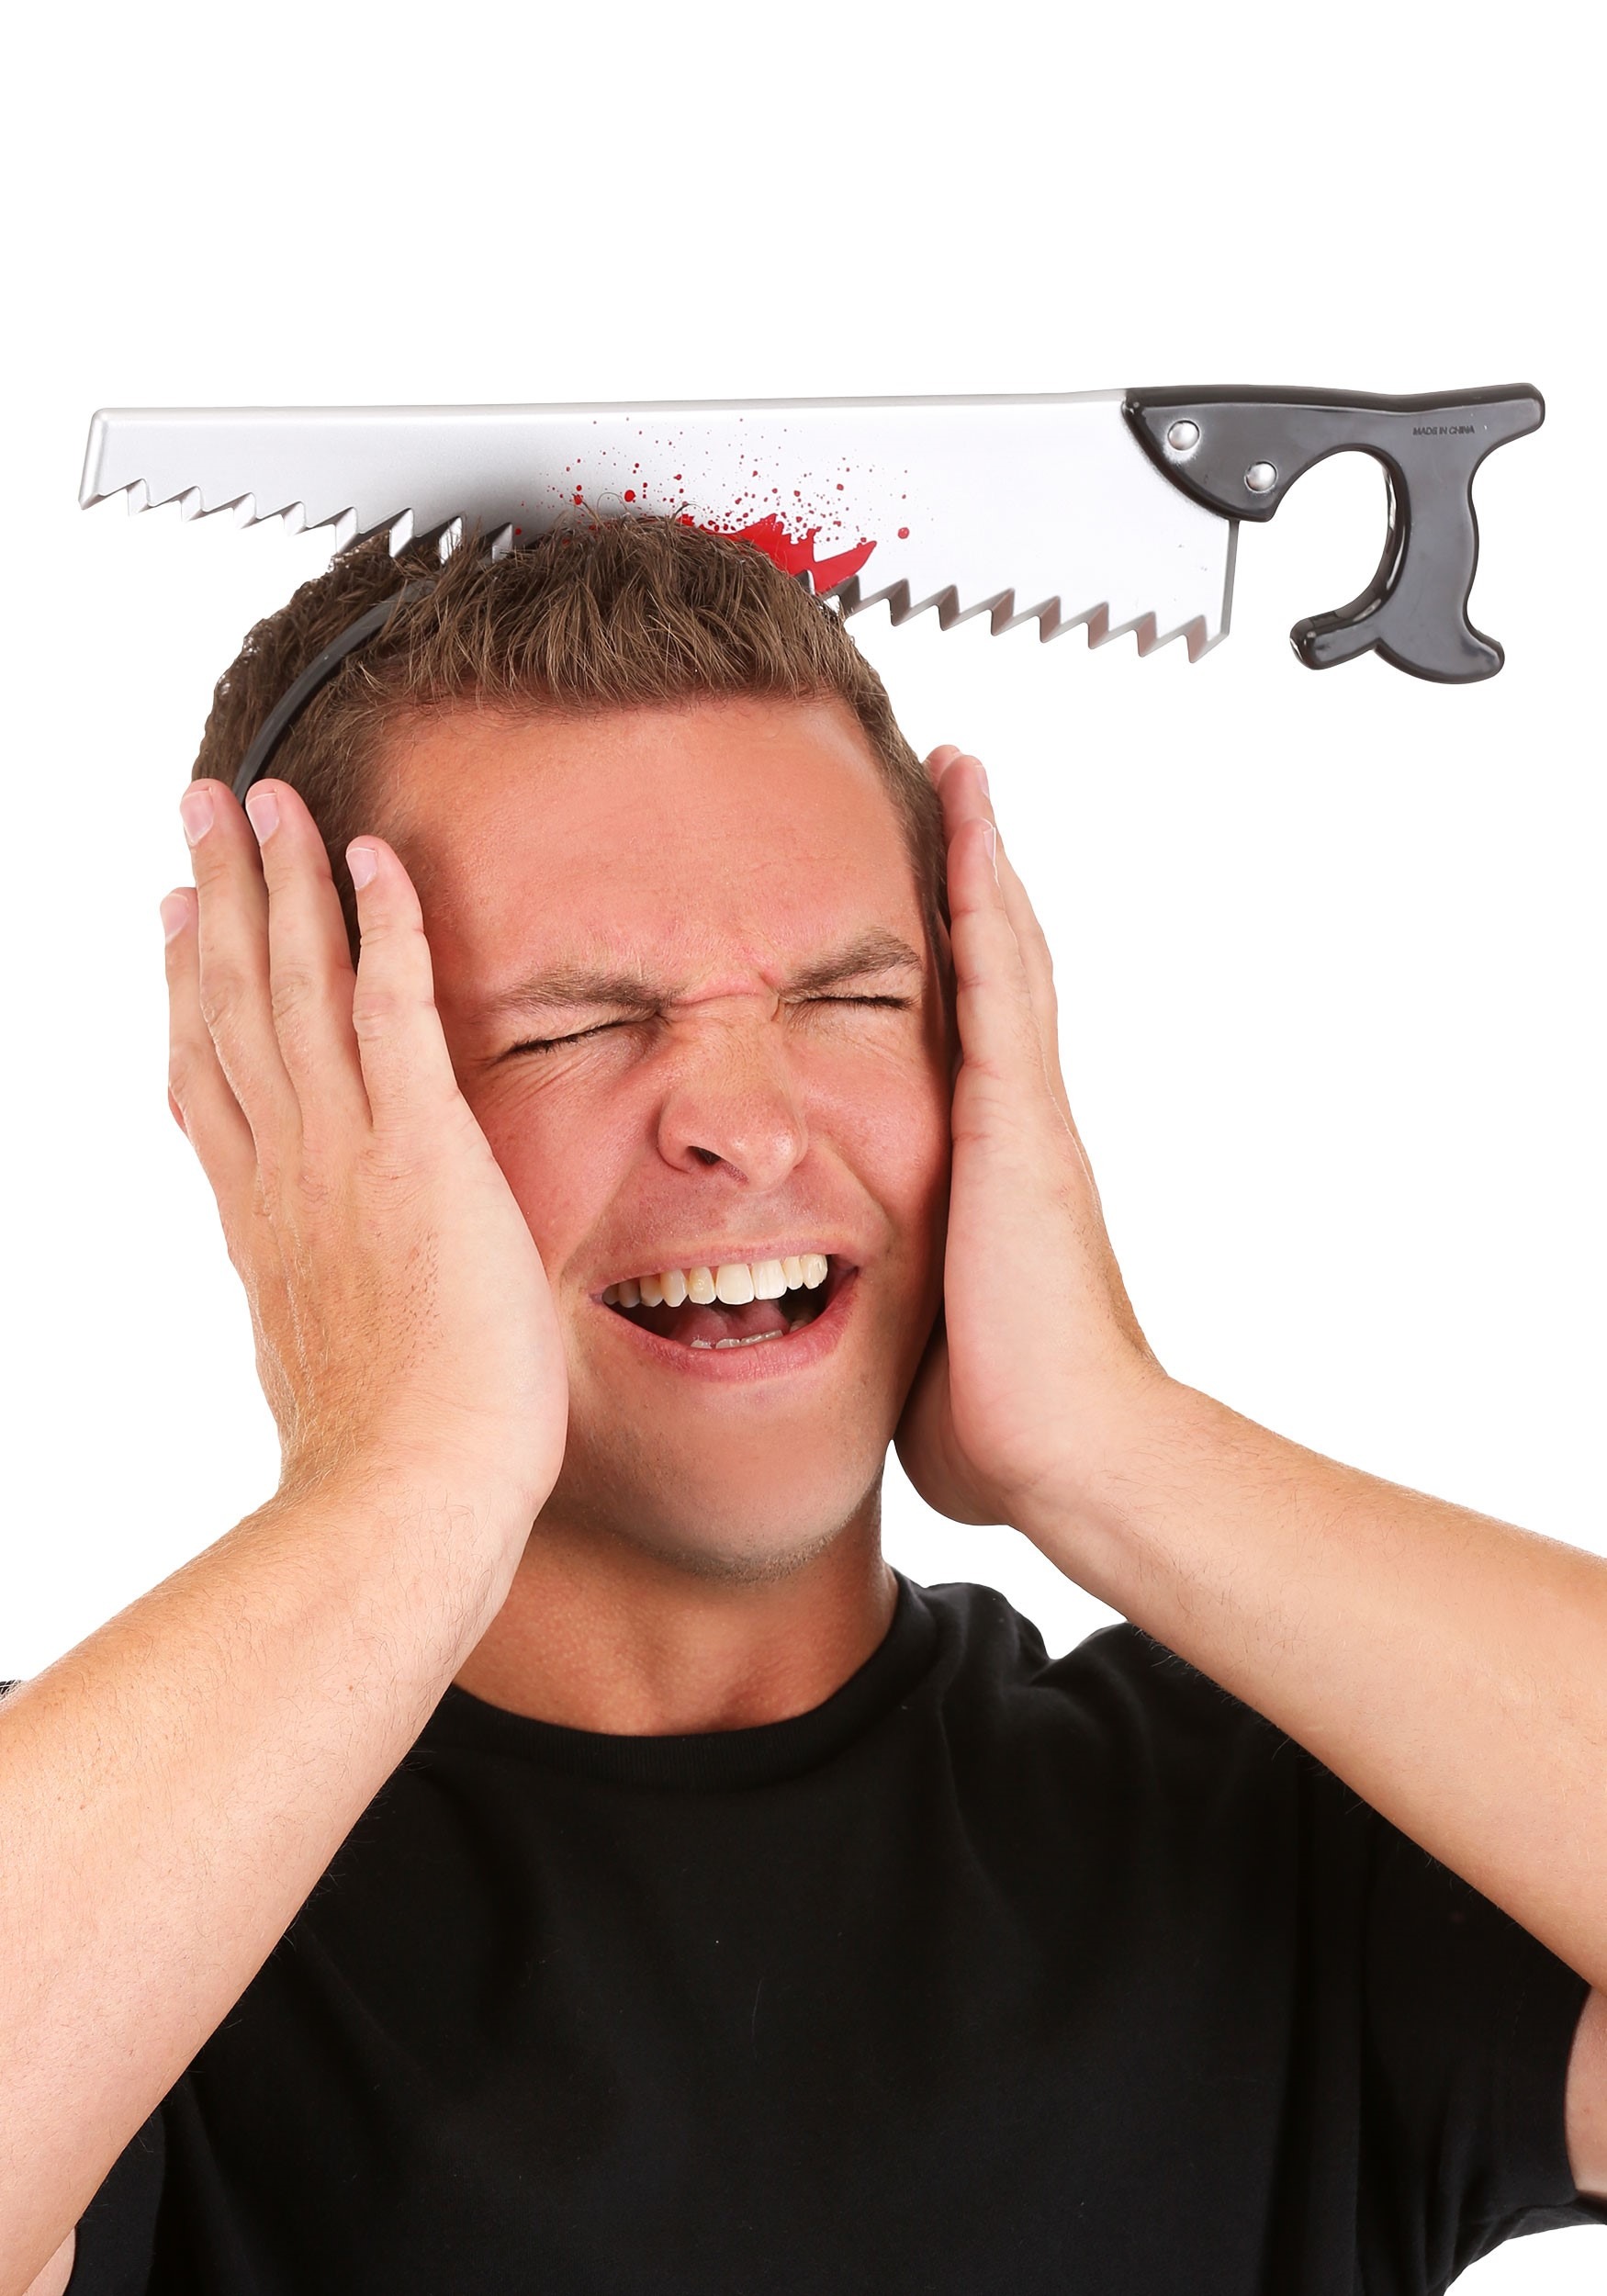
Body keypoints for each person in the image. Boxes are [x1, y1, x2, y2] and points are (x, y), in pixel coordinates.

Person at [2, 517, 1603, 2296]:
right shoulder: (102, 1858)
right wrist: (402, 1482)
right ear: (292, 1091)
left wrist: (1109, 1443)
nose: (747, 1126)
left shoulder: (1289, 1822)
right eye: (568, 1027)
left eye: (850, 998)